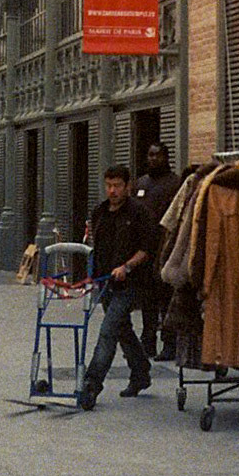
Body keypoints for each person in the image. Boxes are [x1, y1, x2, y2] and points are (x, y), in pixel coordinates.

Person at [78, 165, 155, 410]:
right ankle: (141, 372)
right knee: (122, 329)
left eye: (117, 186)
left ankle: (91, 384)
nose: (112, 191)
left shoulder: (139, 212)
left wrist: (127, 267)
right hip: (105, 282)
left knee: (108, 330)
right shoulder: (99, 212)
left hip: (130, 283)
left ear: (127, 186)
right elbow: (94, 245)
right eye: (109, 185)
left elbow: (146, 249)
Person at [134, 143, 181, 360]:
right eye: (150, 155)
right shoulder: (141, 183)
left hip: (166, 249)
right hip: (145, 250)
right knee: (147, 301)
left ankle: (169, 344)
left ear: (166, 157)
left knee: (166, 299)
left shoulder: (175, 183)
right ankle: (148, 342)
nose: (153, 159)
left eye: (158, 155)